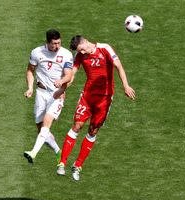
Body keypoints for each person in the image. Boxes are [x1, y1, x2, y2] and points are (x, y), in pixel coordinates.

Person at [56, 35, 136, 181]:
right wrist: (62, 87)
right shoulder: (79, 55)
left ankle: (78, 165)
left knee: (92, 131)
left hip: (104, 99)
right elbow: (72, 74)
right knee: (77, 125)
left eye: (82, 49)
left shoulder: (104, 48)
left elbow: (118, 65)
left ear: (85, 42)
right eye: (79, 51)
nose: (82, 53)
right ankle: (62, 162)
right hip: (87, 97)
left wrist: (125, 85)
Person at [23, 29, 73, 164]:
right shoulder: (37, 53)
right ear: (47, 42)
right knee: (40, 129)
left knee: (46, 124)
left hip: (56, 95)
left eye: (59, 43)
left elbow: (69, 75)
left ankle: (33, 153)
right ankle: (59, 153)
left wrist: (61, 82)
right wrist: (30, 88)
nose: (57, 46)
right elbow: (30, 71)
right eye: (54, 44)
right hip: (41, 93)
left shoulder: (66, 54)